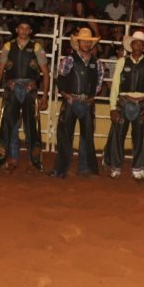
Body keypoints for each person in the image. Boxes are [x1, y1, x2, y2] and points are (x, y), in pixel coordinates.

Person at [0, 17, 49, 173]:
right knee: (10, 125)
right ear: (16, 30)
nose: (24, 30)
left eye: (26, 28)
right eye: (21, 28)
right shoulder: (8, 46)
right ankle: (12, 159)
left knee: (31, 126)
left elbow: (45, 73)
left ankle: (33, 161)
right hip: (12, 88)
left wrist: (44, 96)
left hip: (30, 89)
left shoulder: (37, 47)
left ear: (30, 30)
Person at [50, 27, 105, 178]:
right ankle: (61, 169)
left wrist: (91, 97)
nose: (86, 44)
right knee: (65, 136)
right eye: (83, 41)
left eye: (88, 41)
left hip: (86, 102)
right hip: (71, 100)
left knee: (87, 136)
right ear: (78, 42)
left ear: (91, 44)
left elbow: (99, 83)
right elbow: (60, 79)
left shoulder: (97, 63)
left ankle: (85, 169)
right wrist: (66, 95)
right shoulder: (69, 60)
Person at [102, 30, 144, 180]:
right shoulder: (122, 61)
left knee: (140, 137)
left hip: (141, 103)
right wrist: (113, 107)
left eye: (141, 44)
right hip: (123, 102)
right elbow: (115, 85)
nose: (138, 46)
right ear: (131, 45)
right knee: (118, 135)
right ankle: (115, 166)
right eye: (135, 43)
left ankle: (138, 167)